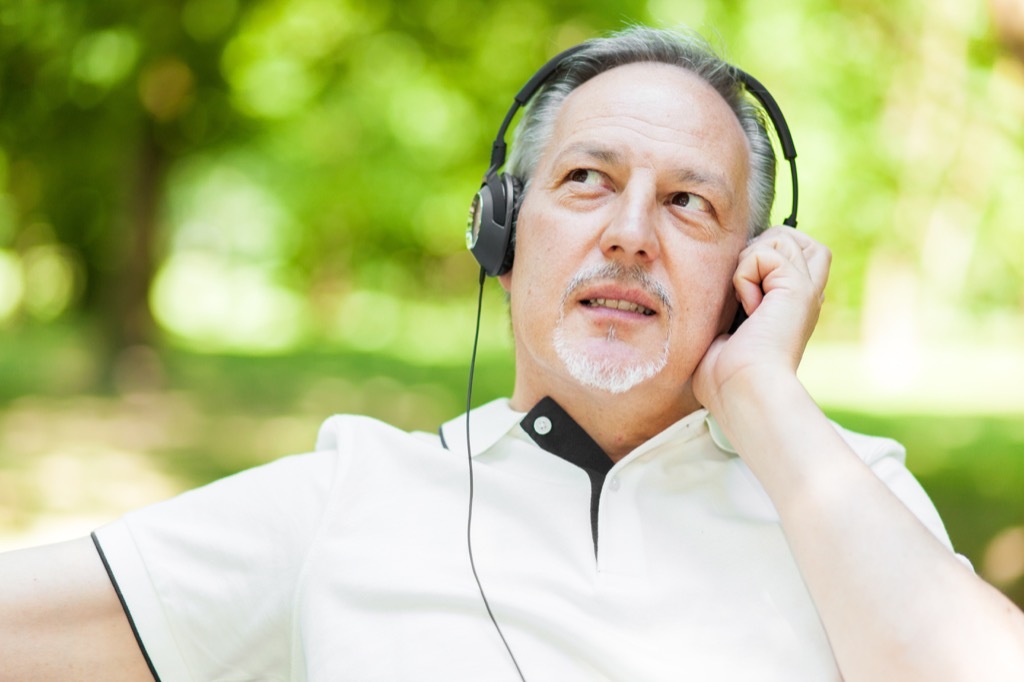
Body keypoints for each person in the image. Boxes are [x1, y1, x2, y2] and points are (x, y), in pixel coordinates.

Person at [3, 25, 1024, 682]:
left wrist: (758, 391)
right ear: (502, 234)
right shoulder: (346, 498)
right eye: (586, 179)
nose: (630, 230)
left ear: (748, 273)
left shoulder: (846, 496)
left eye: (687, 201)